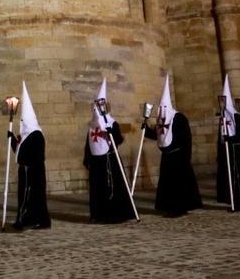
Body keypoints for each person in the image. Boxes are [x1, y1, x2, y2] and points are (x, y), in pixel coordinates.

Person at [141, 74, 201, 216]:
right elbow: (159, 135)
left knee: (179, 184)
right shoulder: (162, 119)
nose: (162, 109)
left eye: (164, 107)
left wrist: (186, 156)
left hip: (179, 156)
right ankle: (169, 206)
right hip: (167, 156)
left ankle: (179, 208)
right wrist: (147, 130)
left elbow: (186, 138)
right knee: (168, 184)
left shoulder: (179, 118)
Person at [84, 78, 136, 223]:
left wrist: (110, 131)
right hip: (96, 163)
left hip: (109, 161)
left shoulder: (112, 123)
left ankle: (115, 214)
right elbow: (88, 144)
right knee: (97, 189)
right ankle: (98, 214)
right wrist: (87, 159)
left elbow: (118, 140)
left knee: (112, 187)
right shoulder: (91, 126)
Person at [7, 81, 50, 229]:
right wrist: (12, 139)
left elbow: (35, 155)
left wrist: (26, 163)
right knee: (24, 196)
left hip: (34, 172)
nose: (22, 123)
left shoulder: (37, 135)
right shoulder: (26, 136)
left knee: (34, 196)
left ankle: (37, 220)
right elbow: (18, 152)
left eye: (24, 121)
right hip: (25, 170)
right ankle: (25, 219)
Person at [216, 75, 240, 211]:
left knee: (238, 174)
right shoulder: (222, 117)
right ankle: (231, 198)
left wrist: (229, 139)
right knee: (229, 175)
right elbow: (220, 135)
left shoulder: (236, 116)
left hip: (235, 149)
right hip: (226, 150)